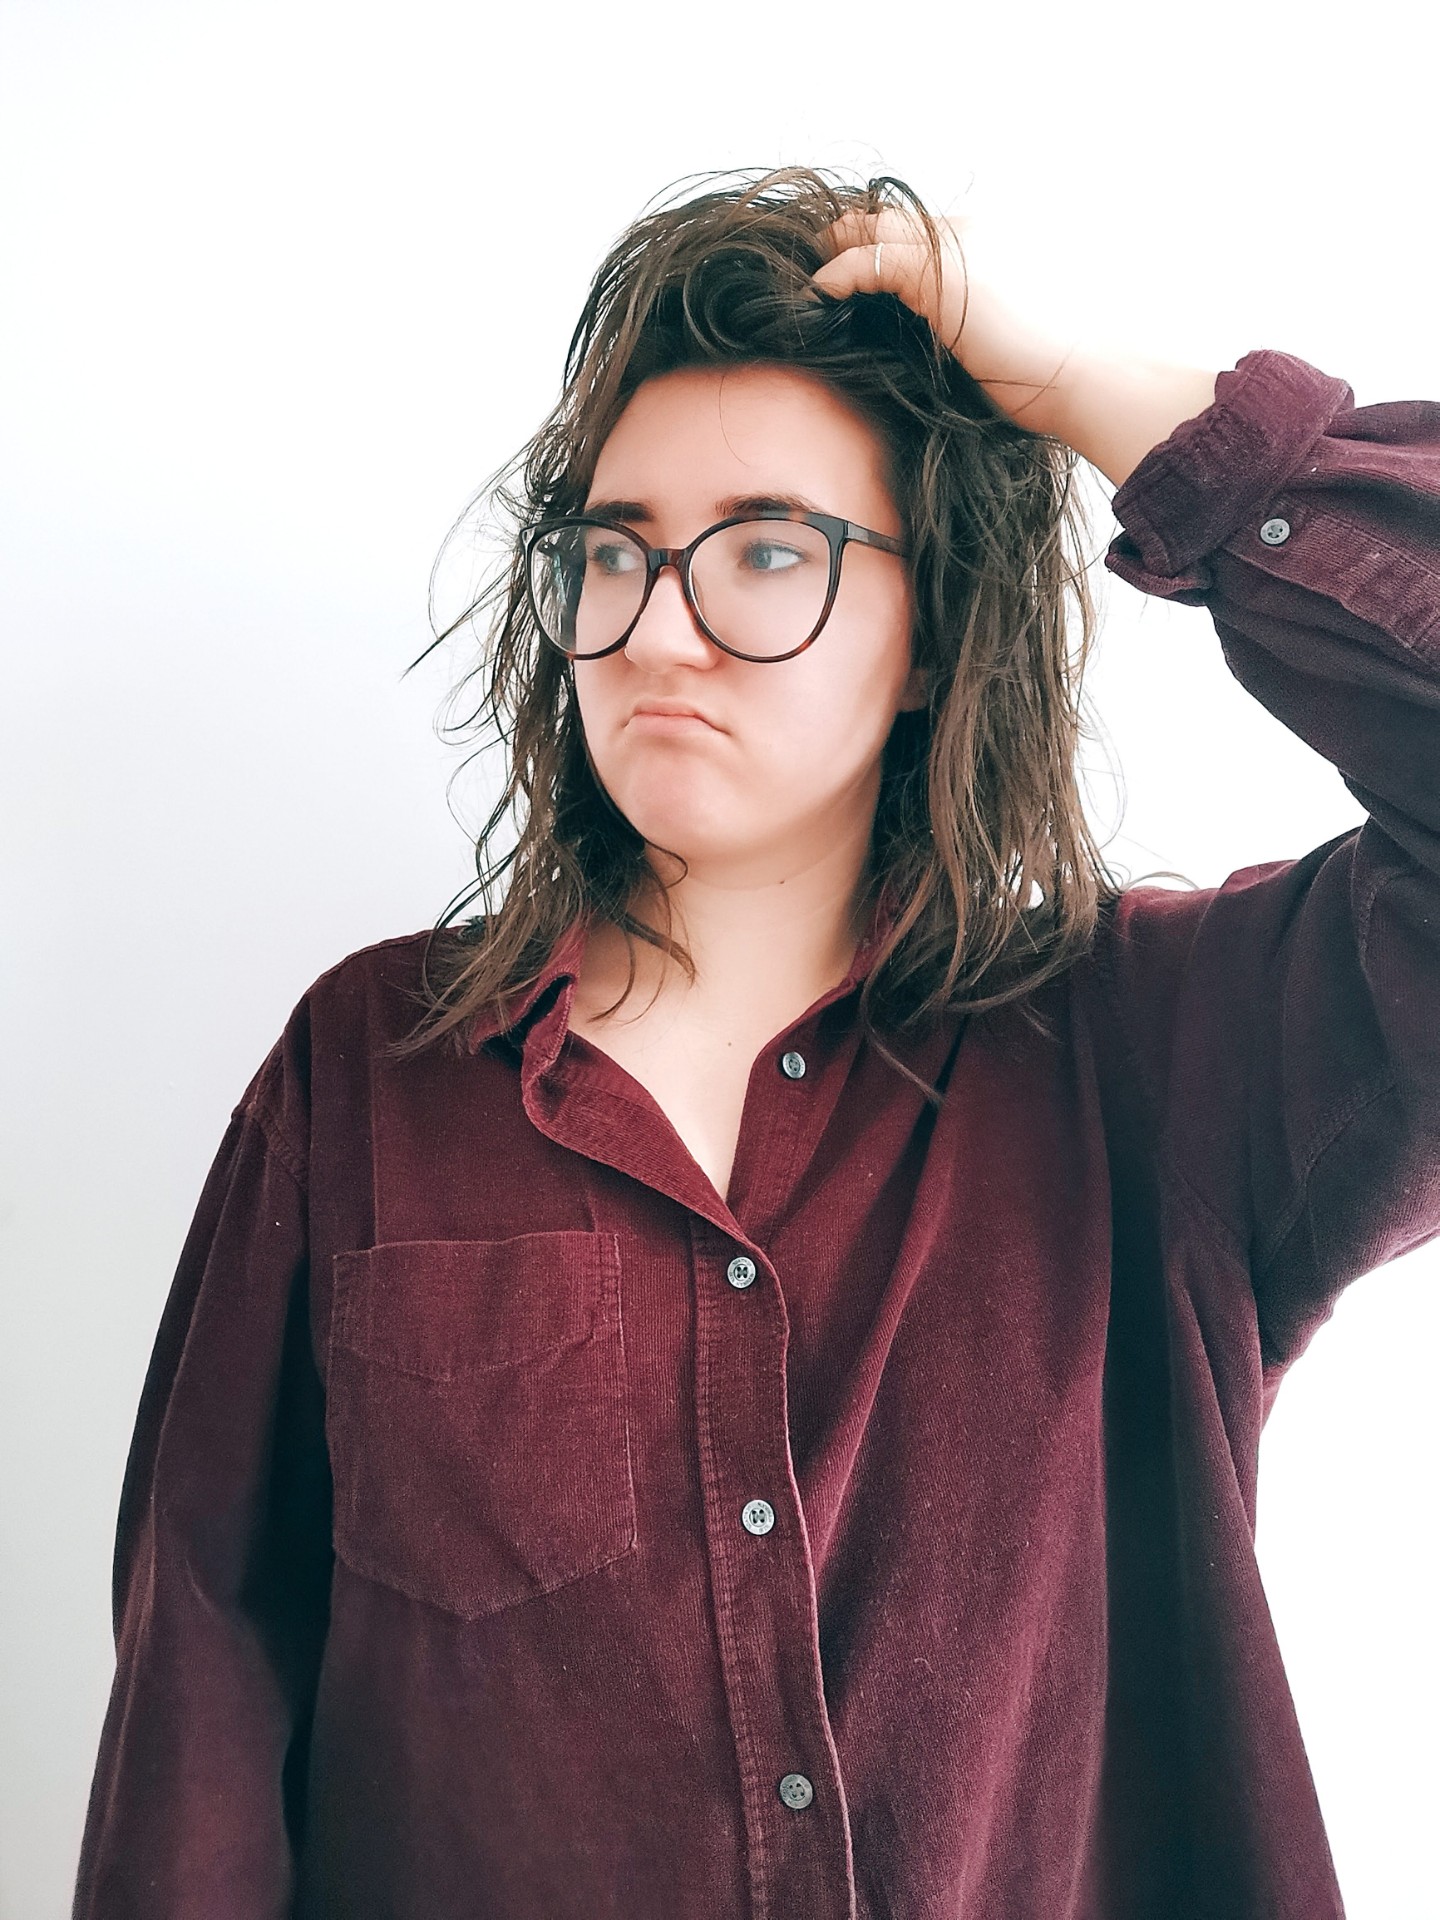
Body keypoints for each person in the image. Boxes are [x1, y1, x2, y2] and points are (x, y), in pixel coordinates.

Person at [72, 166, 1439, 1919]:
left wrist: (1091, 389)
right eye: (614, 553)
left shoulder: (1164, 1058)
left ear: (935, 629)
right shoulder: (372, 1071)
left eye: (768, 553)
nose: (655, 628)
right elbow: (200, 1693)